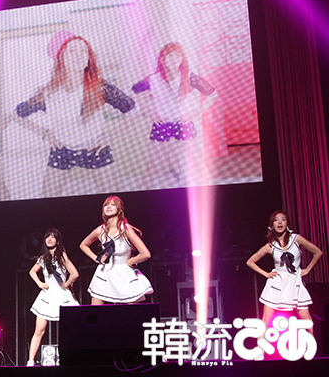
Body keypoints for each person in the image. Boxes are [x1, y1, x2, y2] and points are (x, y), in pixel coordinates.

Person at [16, 31, 135, 197]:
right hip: (62, 150)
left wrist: (110, 136)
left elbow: (132, 109)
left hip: (95, 149)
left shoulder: (100, 86)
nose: (79, 55)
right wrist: (45, 134)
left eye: (83, 51)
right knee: (48, 201)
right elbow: (18, 114)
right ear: (61, 57)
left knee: (113, 203)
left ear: (88, 58)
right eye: (72, 50)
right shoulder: (49, 92)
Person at [132, 42, 218, 187]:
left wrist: (193, 113)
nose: (173, 60)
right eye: (169, 57)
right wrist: (150, 112)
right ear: (162, 59)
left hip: (183, 124)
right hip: (163, 124)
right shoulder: (153, 79)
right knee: (153, 165)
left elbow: (213, 95)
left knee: (196, 162)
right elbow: (134, 92)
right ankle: (144, 191)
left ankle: (211, 188)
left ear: (181, 59)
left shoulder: (189, 77)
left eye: (177, 57)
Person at [247, 211, 323, 333]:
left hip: (295, 283)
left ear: (287, 224)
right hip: (277, 284)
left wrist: (307, 269)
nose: (280, 222)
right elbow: (250, 262)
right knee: (266, 320)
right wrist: (266, 274)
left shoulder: (296, 239)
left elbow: (318, 252)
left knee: (307, 321)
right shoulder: (270, 246)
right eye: (276, 220)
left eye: (283, 219)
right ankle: (262, 345)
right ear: (271, 225)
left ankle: (310, 345)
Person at [79, 196, 153, 304]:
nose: (109, 207)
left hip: (125, 275)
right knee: (95, 312)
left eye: (113, 205)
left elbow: (145, 254)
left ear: (119, 210)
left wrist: (130, 262)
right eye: (106, 205)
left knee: (131, 313)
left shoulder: (126, 229)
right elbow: (83, 245)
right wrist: (97, 259)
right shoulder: (100, 230)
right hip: (104, 274)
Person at [27, 228, 79, 366]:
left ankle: (68, 359)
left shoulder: (62, 256)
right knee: (39, 330)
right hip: (47, 295)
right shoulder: (43, 258)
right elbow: (32, 272)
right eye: (47, 237)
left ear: (58, 240)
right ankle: (30, 361)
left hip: (62, 295)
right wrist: (40, 283)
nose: (50, 239)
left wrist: (66, 284)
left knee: (68, 331)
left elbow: (75, 274)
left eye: (53, 237)